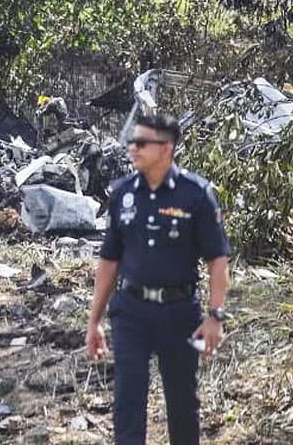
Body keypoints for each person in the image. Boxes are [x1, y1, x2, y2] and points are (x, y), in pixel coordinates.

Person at [85, 113, 230, 445]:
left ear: (166, 148)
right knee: (127, 403)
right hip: (131, 312)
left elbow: (218, 261)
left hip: (179, 314)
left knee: (182, 404)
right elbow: (109, 261)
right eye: (131, 141)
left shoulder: (196, 194)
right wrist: (94, 321)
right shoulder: (122, 194)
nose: (132, 148)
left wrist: (215, 316)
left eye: (141, 143)